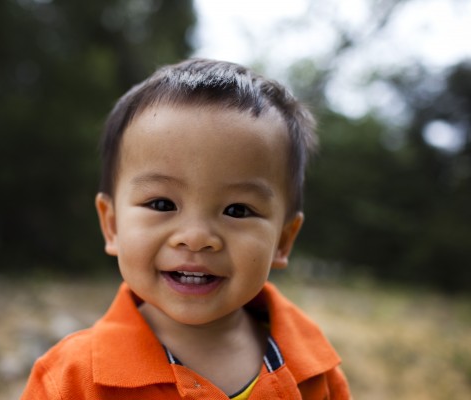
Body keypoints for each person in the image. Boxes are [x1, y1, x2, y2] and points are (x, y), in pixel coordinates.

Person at [21, 58, 351, 399]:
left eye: (237, 210)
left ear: (283, 241)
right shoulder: (72, 380)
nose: (195, 237)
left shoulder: (314, 373)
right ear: (113, 225)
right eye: (162, 204)